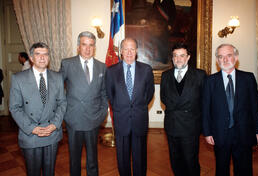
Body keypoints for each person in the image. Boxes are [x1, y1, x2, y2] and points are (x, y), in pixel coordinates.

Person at [202, 44, 258, 176]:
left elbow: (255, 107)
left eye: (229, 55)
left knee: (244, 169)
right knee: (221, 169)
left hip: (244, 134)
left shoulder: (248, 78)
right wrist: (207, 132)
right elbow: (206, 109)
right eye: (221, 57)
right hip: (220, 134)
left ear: (235, 57)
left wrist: (257, 131)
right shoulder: (210, 81)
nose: (225, 59)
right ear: (217, 60)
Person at [9, 42, 67, 176]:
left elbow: (62, 103)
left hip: (51, 133)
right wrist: (31, 128)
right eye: (38, 54)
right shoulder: (18, 79)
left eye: (45, 54)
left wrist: (54, 124)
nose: (42, 57)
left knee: (49, 172)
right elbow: (14, 107)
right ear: (31, 57)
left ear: (49, 57)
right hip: (30, 134)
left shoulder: (57, 77)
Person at [60, 31, 108, 176]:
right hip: (73, 119)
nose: (88, 49)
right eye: (84, 45)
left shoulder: (102, 67)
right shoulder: (67, 64)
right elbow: (57, 90)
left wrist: (102, 114)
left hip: (93, 119)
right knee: (74, 158)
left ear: (94, 47)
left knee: (92, 158)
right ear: (78, 47)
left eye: (91, 45)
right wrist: (64, 112)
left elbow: (104, 93)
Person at [106, 38, 155, 176]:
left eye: (132, 49)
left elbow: (149, 93)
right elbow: (110, 94)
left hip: (139, 119)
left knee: (140, 158)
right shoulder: (111, 71)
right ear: (121, 51)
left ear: (137, 51)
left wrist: (138, 106)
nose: (129, 52)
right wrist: (121, 107)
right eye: (126, 49)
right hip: (121, 120)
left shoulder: (146, 70)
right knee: (122, 159)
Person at [160, 43, 206, 176]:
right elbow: (163, 98)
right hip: (172, 125)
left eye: (182, 55)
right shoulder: (165, 75)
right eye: (175, 56)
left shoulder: (199, 75)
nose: (178, 59)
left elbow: (204, 101)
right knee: (175, 160)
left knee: (190, 160)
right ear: (172, 58)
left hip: (190, 126)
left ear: (188, 57)